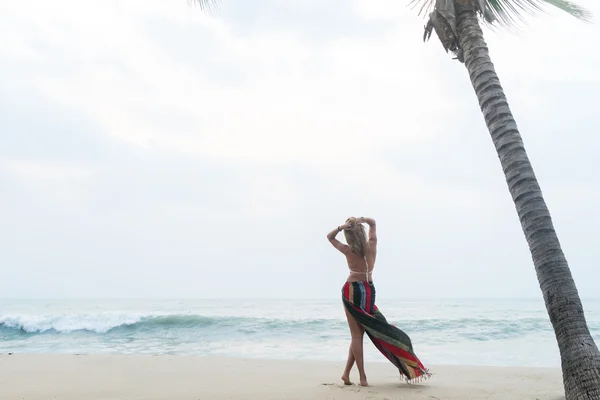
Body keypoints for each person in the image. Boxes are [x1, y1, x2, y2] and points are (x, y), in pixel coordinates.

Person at [327, 217, 430, 387]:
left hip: (352, 290)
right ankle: (346, 374)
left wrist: (340, 227)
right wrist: (362, 220)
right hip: (369, 290)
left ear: (348, 234)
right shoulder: (372, 245)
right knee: (359, 335)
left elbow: (329, 237)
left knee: (356, 335)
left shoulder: (347, 249)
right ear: (361, 231)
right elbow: (373, 222)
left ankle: (362, 378)